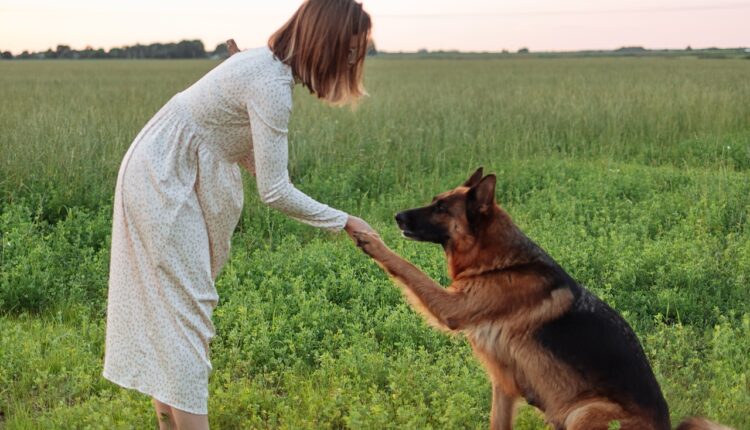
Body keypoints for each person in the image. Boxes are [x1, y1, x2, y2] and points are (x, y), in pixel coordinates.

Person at [102, 1, 374, 428]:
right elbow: (275, 190)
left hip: (163, 168)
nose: (355, 60)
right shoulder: (269, 82)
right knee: (187, 316)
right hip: (163, 178)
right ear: (328, 42)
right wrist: (344, 220)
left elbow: (235, 147)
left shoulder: (264, 67)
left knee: (176, 314)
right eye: (352, 49)